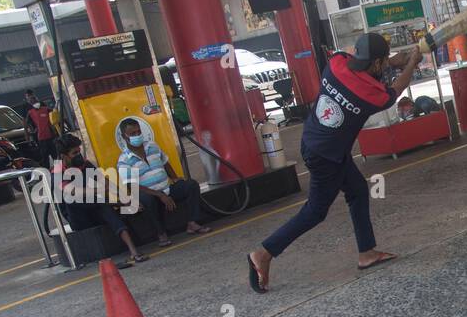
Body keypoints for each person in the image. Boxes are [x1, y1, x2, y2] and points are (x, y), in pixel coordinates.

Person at [247, 33, 422, 293]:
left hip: (315, 143)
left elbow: (365, 72)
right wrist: (410, 63)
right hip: (326, 156)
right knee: (315, 211)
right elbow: (393, 92)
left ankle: (367, 252)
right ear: (375, 64)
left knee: (357, 190)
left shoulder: (336, 63)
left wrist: (389, 63)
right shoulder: (369, 94)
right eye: (382, 61)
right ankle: (264, 252)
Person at [116, 118, 210, 246]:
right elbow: (132, 186)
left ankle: (192, 223)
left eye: (138, 132)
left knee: (191, 185)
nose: (137, 136)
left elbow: (165, 163)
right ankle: (161, 233)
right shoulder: (124, 160)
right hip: (151, 195)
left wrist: (175, 178)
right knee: (148, 199)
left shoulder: (152, 146)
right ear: (124, 136)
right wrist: (159, 195)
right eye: (133, 134)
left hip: (167, 189)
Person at [55, 134, 146, 263]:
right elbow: (72, 191)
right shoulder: (57, 171)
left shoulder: (85, 164)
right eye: (74, 153)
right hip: (78, 216)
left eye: (79, 151)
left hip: (93, 206)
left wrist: (126, 199)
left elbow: (105, 181)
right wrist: (100, 190)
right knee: (84, 200)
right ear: (64, 156)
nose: (78, 155)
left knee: (104, 205)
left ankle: (133, 251)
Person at [26, 94, 57, 161]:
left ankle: (59, 171)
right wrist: (33, 130)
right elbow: (27, 123)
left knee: (56, 155)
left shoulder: (46, 109)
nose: (34, 102)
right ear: (30, 103)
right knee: (44, 157)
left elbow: (55, 114)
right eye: (32, 102)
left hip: (51, 136)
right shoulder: (30, 112)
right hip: (41, 138)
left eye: (35, 100)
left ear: (37, 100)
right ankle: (47, 170)